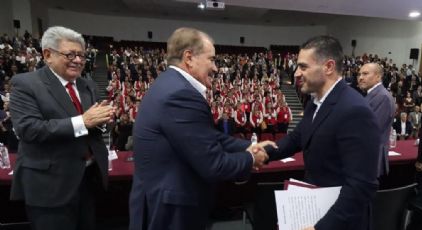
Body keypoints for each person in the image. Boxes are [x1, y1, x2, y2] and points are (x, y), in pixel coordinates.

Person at [129, 27, 273, 230]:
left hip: (161, 199)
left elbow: (208, 137)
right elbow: (213, 165)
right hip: (172, 209)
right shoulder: (181, 95)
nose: (215, 68)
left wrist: (250, 145)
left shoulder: (167, 84)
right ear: (189, 58)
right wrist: (251, 158)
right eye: (211, 59)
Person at [268, 36, 380, 230]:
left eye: (303, 67)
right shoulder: (315, 101)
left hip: (339, 221)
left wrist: (322, 227)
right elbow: (298, 137)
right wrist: (263, 152)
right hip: (317, 205)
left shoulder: (354, 110)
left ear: (328, 67)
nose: (296, 73)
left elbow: (361, 185)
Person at [9, 26, 114, 230]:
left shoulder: (87, 85)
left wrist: (103, 120)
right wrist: (83, 121)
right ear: (48, 55)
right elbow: (29, 129)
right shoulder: (26, 84)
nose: (78, 60)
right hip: (50, 187)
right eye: (70, 54)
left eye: (82, 55)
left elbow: (92, 125)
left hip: (87, 181)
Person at [357, 62, 396, 176]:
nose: (360, 78)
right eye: (359, 74)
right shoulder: (374, 95)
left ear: (378, 77)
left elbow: (370, 131)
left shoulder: (382, 97)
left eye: (365, 74)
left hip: (369, 158)